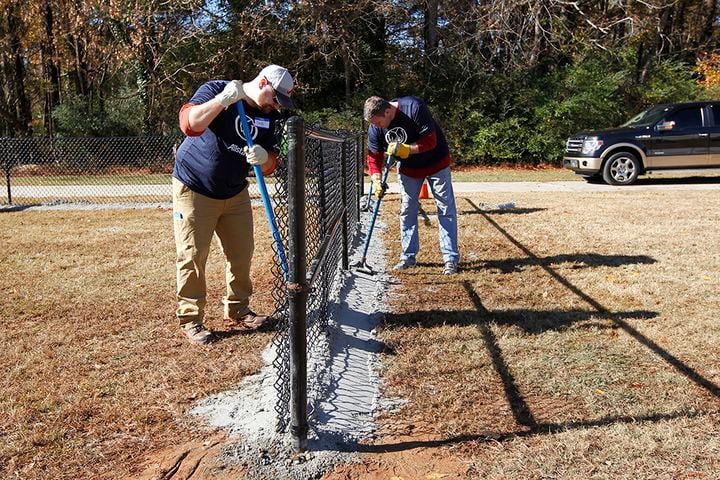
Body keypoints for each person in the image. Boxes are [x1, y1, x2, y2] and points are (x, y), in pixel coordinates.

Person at [172, 65, 295, 345]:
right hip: (195, 187)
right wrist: (222, 101)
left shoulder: (270, 117)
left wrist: (264, 157)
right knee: (193, 255)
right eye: (275, 98)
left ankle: (238, 309)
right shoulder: (217, 89)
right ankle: (191, 319)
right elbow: (189, 125)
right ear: (262, 82)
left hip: (235, 190)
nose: (277, 106)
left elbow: (271, 164)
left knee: (242, 252)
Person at [364, 95, 460, 275]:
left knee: (445, 208)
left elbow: (431, 141)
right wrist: (376, 179)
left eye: (378, 123)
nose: (376, 127)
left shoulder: (413, 108)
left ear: (387, 111)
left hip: (436, 162)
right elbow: (374, 157)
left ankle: (450, 259)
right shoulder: (375, 127)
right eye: (374, 124)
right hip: (409, 170)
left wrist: (406, 149)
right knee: (407, 210)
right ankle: (408, 258)